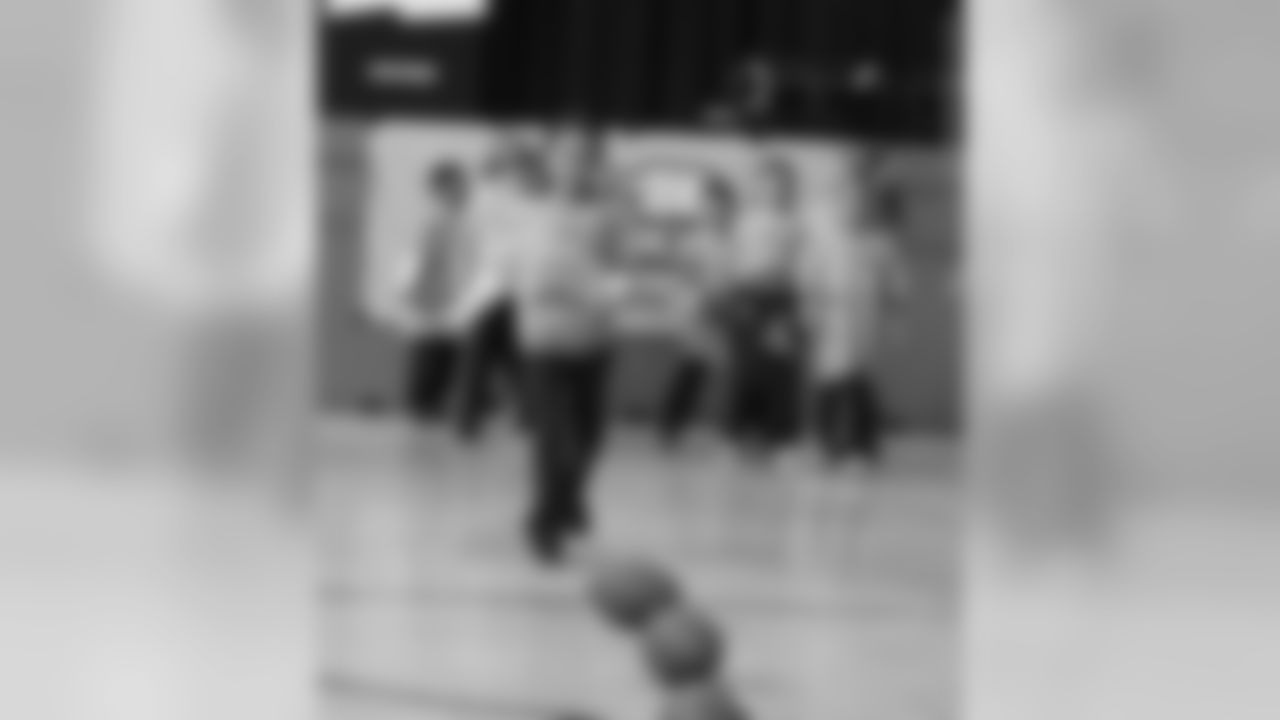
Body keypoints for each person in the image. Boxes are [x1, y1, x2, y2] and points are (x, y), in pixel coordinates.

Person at [509, 131, 625, 564]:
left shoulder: (607, 215)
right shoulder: (528, 210)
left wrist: (608, 291)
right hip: (544, 340)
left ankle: (570, 498)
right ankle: (543, 524)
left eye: (585, 158)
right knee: (554, 438)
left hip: (593, 339)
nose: (575, 166)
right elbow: (519, 269)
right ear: (552, 163)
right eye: (567, 156)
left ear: (596, 166)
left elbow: (615, 271)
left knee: (591, 436)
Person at [801, 178, 911, 468]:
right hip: (831, 314)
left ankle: (864, 447)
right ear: (836, 206)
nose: (853, 208)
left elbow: (895, 286)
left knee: (859, 379)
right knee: (828, 380)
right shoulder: (824, 242)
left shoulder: (881, 244)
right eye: (846, 202)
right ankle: (825, 445)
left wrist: (896, 320)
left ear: (868, 207)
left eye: (860, 202)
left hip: (865, 316)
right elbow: (811, 281)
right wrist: (811, 312)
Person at [447, 136, 538, 441]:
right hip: (493, 289)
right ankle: (471, 419)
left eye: (520, 164)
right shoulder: (488, 196)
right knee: (487, 357)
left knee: (511, 357)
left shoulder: (528, 199)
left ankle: (520, 416)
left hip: (516, 289)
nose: (517, 171)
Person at [719, 154, 807, 458]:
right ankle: (738, 433)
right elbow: (733, 261)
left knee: (780, 371)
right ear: (757, 187)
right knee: (745, 369)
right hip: (747, 297)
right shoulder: (745, 221)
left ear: (790, 188)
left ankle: (781, 437)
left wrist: (797, 307)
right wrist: (732, 300)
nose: (773, 190)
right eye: (767, 183)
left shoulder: (795, 224)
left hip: (781, 301)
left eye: (781, 185)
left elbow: (801, 266)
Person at [656, 175, 737, 448]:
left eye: (722, 206)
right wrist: (699, 299)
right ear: (704, 207)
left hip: (725, 311)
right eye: (711, 205)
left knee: (720, 370)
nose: (716, 211)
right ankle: (670, 425)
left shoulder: (733, 238)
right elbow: (684, 273)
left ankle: (727, 427)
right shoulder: (694, 239)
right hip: (698, 311)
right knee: (693, 368)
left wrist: (726, 301)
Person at [403, 162, 474, 425]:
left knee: (444, 377)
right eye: (459, 185)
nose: (465, 191)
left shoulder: (459, 221)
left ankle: (430, 416)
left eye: (464, 185)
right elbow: (420, 267)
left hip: (454, 311)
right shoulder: (434, 222)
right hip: (436, 311)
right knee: (430, 378)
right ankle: (422, 421)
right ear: (441, 189)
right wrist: (425, 300)